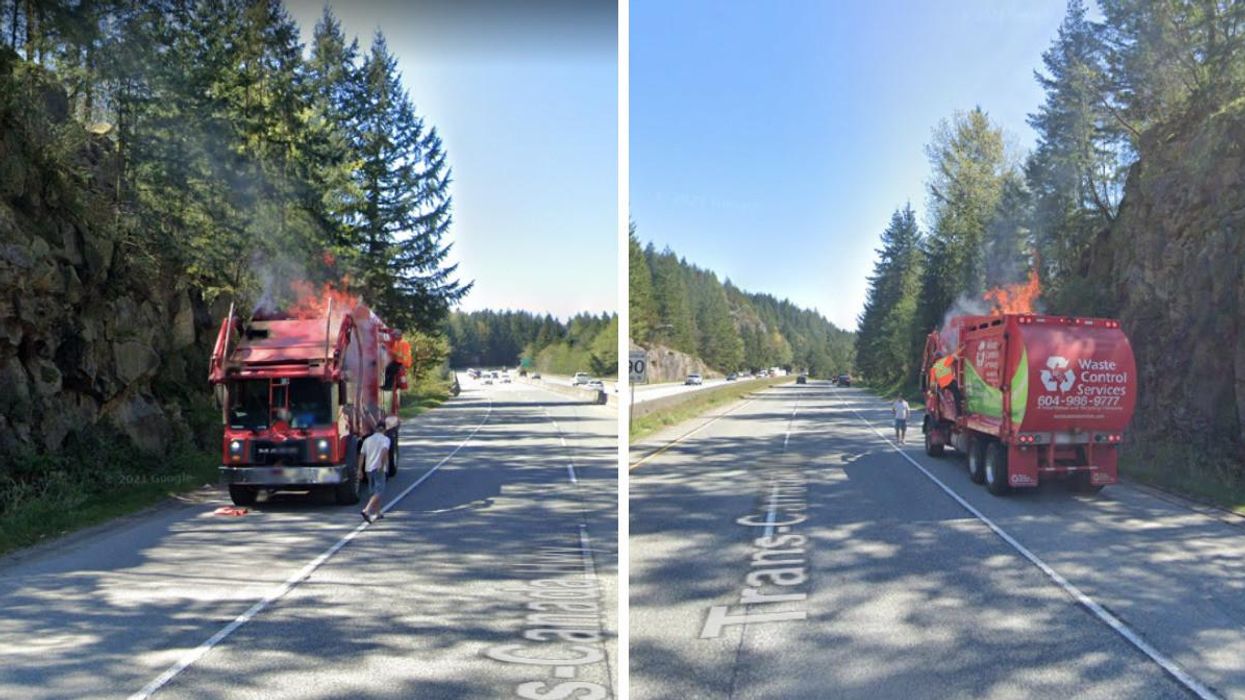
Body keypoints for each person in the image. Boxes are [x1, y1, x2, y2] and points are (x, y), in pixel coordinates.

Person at [359, 417, 391, 523]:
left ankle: (378, 513)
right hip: (378, 468)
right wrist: (382, 465)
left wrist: (359, 470)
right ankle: (366, 510)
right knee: (379, 491)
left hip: (368, 468)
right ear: (384, 430)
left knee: (373, 491)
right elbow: (384, 450)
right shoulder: (386, 439)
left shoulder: (367, 440)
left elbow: (362, 455)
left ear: (376, 429)